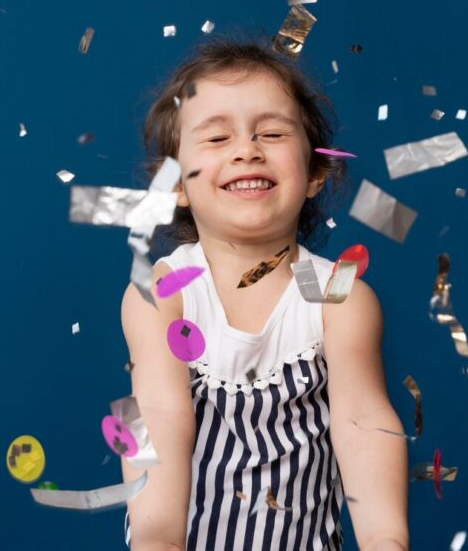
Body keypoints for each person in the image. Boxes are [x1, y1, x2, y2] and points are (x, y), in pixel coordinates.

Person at [120, 38, 409, 550]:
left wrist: (387, 541)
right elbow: (157, 417)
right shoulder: (164, 294)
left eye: (272, 133)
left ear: (316, 172)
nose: (246, 149)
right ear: (175, 186)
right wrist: (156, 540)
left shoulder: (339, 295)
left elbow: (363, 421)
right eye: (215, 139)